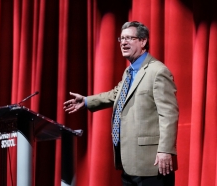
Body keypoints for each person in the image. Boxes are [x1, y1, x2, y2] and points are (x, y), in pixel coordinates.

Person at [63, 21, 179, 186]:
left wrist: (165, 150)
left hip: (152, 164)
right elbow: (116, 94)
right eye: (121, 39)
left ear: (143, 41)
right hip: (129, 162)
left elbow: (169, 114)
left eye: (129, 38)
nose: (123, 43)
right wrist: (87, 100)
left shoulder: (158, 71)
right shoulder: (129, 71)